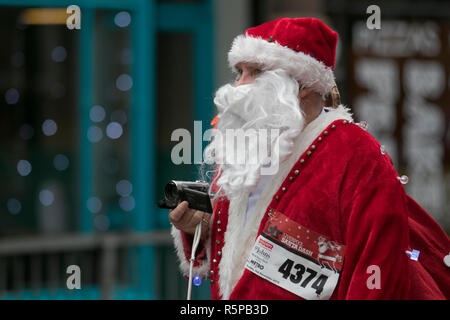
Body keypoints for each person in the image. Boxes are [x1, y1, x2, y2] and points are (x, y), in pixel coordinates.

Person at [168, 17, 450, 300]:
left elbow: (378, 274)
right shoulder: (243, 151)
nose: (239, 85)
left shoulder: (357, 155)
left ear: (302, 84)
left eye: (254, 71)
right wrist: (200, 230)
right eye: (238, 71)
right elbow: (232, 252)